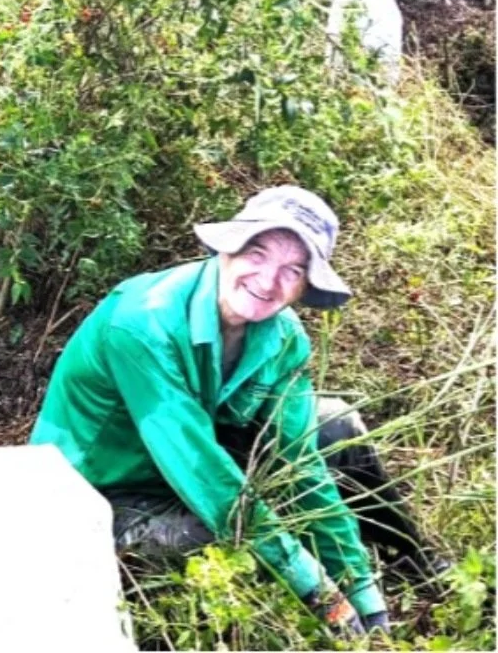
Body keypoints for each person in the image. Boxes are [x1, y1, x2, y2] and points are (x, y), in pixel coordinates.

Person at [31, 186, 448, 636]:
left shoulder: (284, 336)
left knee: (335, 426)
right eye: (257, 253)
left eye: (293, 269)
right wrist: (315, 587)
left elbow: (300, 460)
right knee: (225, 537)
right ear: (227, 247)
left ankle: (417, 565)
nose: (268, 281)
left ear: (307, 285)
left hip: (196, 466)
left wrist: (356, 583)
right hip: (100, 494)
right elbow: (201, 471)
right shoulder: (142, 324)